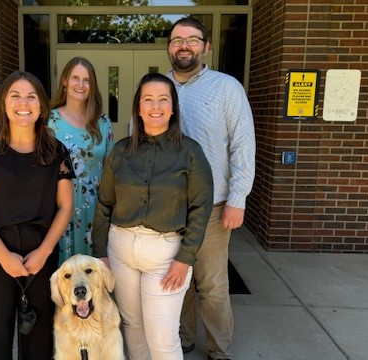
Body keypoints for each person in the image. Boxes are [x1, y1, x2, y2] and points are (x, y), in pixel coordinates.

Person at [92, 72, 213, 360]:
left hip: (166, 254)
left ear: (173, 108)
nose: (155, 106)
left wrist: (185, 259)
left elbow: (201, 208)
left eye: (163, 99)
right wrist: (101, 252)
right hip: (120, 249)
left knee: (162, 337)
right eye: (148, 99)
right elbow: (104, 203)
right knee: (132, 326)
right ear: (138, 107)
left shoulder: (190, 152)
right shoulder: (121, 151)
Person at [0, 70, 74, 359]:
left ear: (41, 107)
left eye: (31, 96)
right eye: (15, 95)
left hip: (41, 254)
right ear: (3, 104)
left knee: (38, 342)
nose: (23, 103)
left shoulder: (57, 152)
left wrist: (44, 252)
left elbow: (65, 206)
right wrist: (4, 257)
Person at [166, 17, 256, 360]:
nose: (184, 46)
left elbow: (243, 146)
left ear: (205, 46)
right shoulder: (158, 88)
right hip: (169, 206)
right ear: (169, 47)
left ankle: (219, 349)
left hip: (214, 207)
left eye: (191, 40)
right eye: (176, 40)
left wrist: (238, 199)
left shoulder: (227, 87)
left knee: (213, 285)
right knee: (177, 281)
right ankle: (184, 337)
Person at [49, 57, 114, 264]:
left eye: (86, 80)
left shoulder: (102, 122)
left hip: (95, 207)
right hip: (59, 204)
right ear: (65, 81)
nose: (81, 84)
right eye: (75, 78)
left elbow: (110, 168)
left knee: (93, 269)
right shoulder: (49, 122)